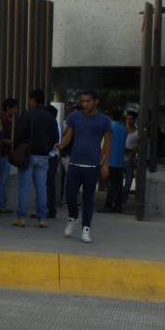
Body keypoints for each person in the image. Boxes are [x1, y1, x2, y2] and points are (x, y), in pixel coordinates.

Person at [55, 90, 112, 243]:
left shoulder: (104, 120)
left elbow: (107, 143)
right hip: (74, 163)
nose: (85, 104)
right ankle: (72, 217)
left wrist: (105, 164)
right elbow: (69, 135)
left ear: (95, 101)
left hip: (92, 166)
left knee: (89, 199)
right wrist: (60, 147)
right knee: (70, 195)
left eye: (88, 101)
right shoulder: (75, 117)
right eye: (83, 101)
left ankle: (86, 228)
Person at [12, 90, 59, 228]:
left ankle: (21, 218)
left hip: (28, 155)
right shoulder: (50, 117)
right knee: (42, 188)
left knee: (24, 187)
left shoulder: (27, 114)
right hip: (44, 156)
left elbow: (19, 134)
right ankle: (42, 218)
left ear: (32, 100)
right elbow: (55, 138)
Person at [0, 98, 18, 216]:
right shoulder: (1, 119)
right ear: (8, 108)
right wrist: (8, 142)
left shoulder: (5, 119)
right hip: (2, 154)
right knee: (0, 181)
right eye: (14, 108)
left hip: (4, 154)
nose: (15, 111)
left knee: (1, 181)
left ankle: (0, 205)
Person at [104, 109, 128, 213]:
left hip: (110, 159)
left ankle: (108, 205)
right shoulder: (124, 128)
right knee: (118, 184)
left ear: (110, 117)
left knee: (110, 184)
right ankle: (118, 205)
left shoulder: (109, 127)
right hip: (120, 160)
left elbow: (105, 143)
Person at [45, 105, 61, 219]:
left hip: (51, 157)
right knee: (48, 185)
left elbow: (54, 145)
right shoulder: (55, 125)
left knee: (49, 185)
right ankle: (49, 209)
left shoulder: (54, 126)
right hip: (52, 157)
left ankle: (50, 210)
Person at [123, 110, 140, 204]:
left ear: (134, 120)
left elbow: (138, 147)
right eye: (127, 119)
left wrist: (131, 151)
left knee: (128, 182)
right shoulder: (122, 129)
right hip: (119, 159)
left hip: (130, 159)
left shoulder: (137, 132)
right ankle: (118, 200)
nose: (129, 121)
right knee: (117, 181)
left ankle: (123, 200)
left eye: (131, 119)